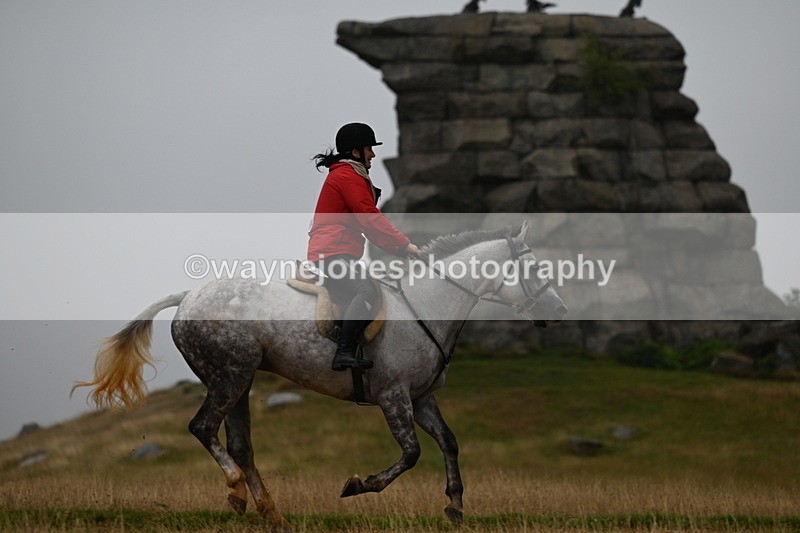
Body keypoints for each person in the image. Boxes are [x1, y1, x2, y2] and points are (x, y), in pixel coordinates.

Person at [308, 122, 421, 371]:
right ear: (356, 151)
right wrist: (405, 246)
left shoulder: (349, 174)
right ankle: (344, 353)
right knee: (367, 290)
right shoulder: (347, 175)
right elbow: (369, 217)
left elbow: (369, 225)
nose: (373, 154)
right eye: (369, 148)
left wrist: (399, 249)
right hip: (332, 252)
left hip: (335, 250)